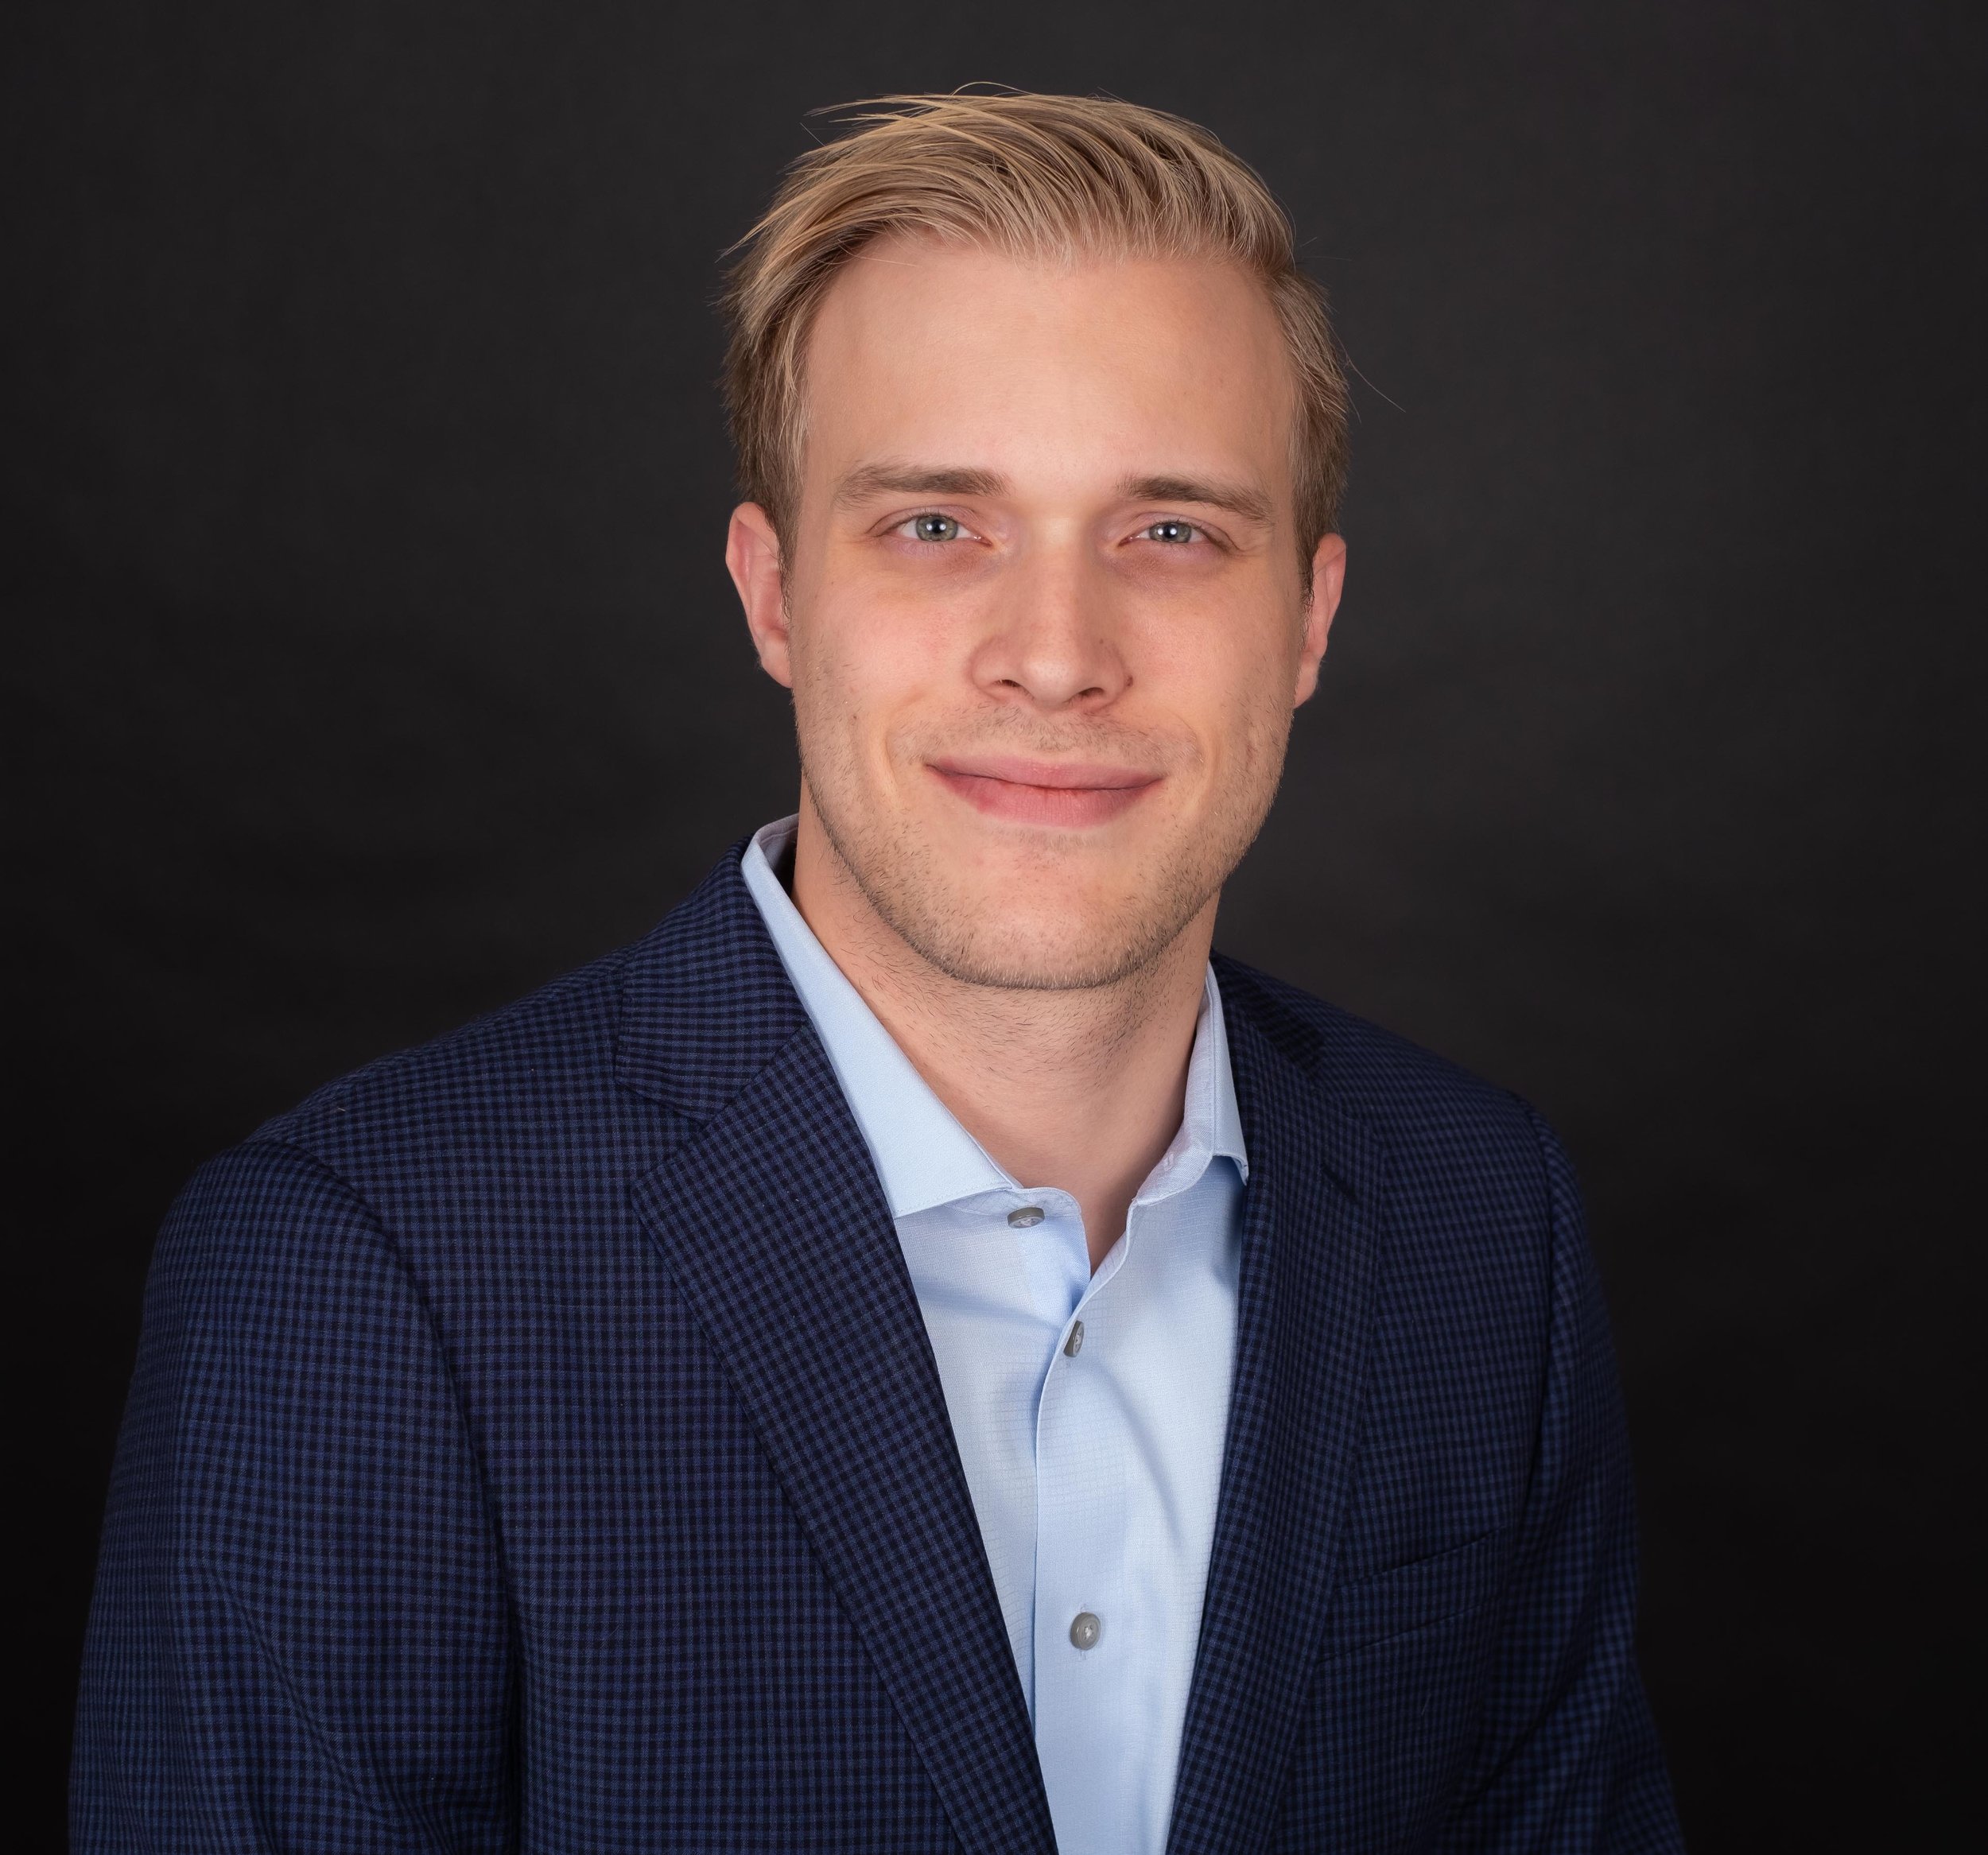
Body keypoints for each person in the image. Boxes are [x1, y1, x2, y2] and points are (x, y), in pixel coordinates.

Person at [72, 92, 1683, 1853]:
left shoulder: (1478, 1221)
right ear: (772, 596)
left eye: (1169, 533)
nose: (1055, 656)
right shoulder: (357, 1278)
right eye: (935, 526)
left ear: (1305, 617)